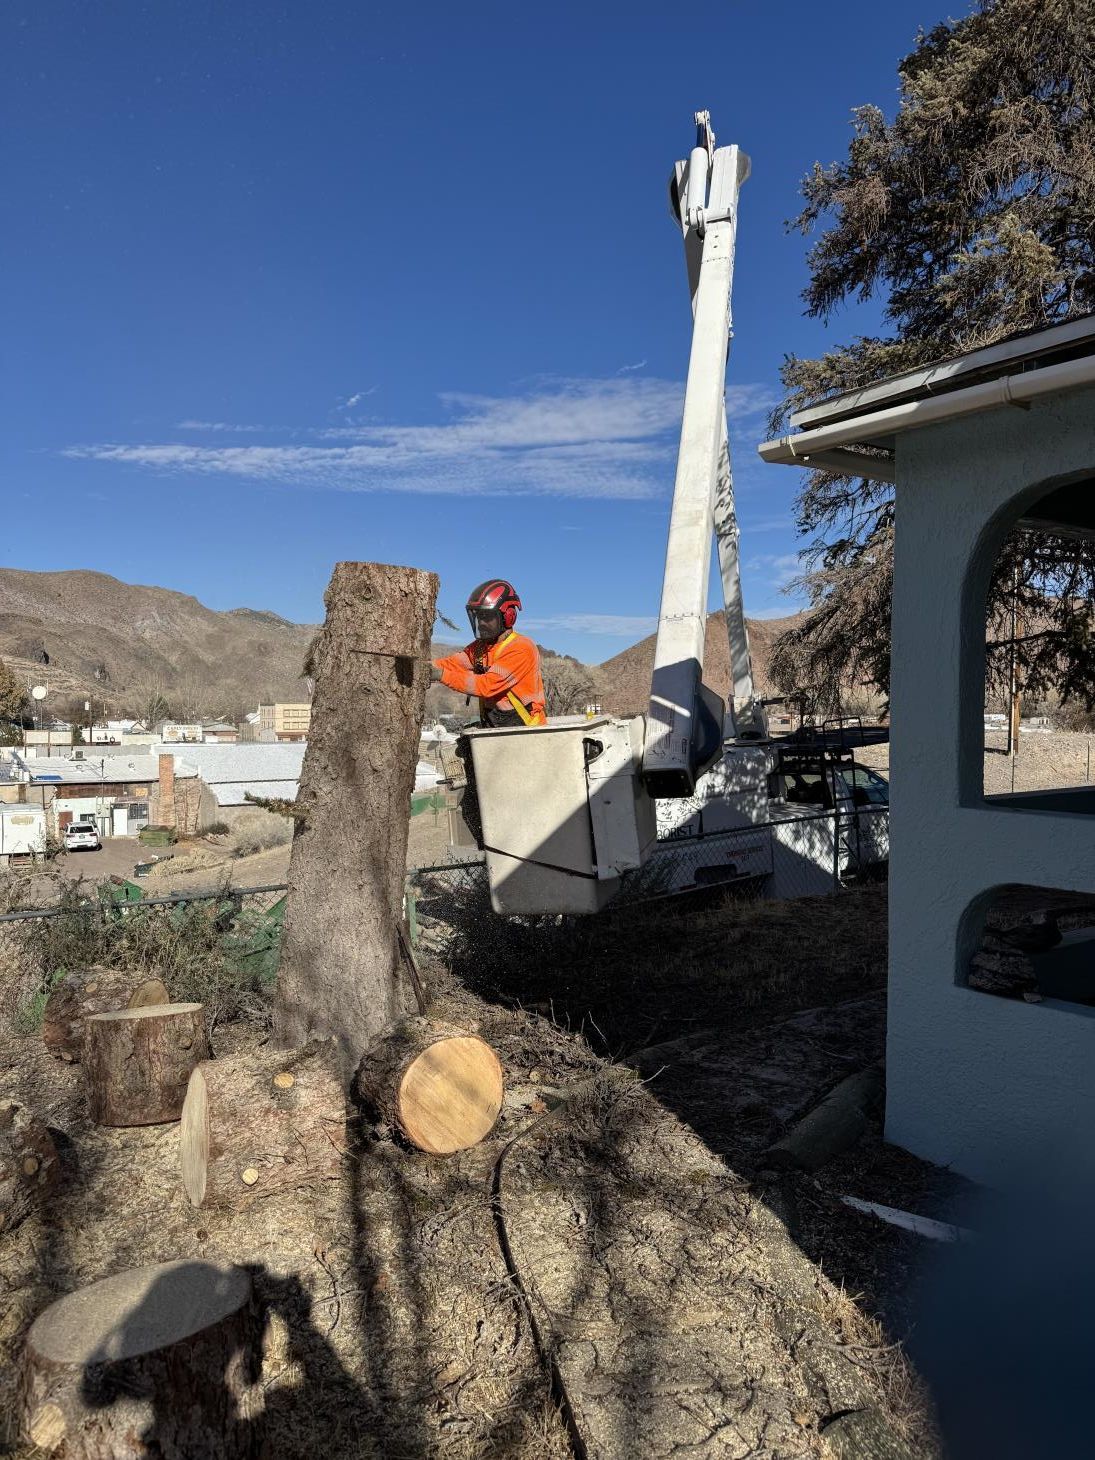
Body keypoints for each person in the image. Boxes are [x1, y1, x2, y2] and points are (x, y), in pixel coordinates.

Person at [431, 579, 546, 728]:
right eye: (478, 617)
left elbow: (486, 686)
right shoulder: (480, 648)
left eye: (487, 617)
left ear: (508, 616)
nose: (481, 623)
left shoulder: (521, 648)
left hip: (526, 731)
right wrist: (426, 667)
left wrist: (441, 675)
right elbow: (452, 664)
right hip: (498, 727)